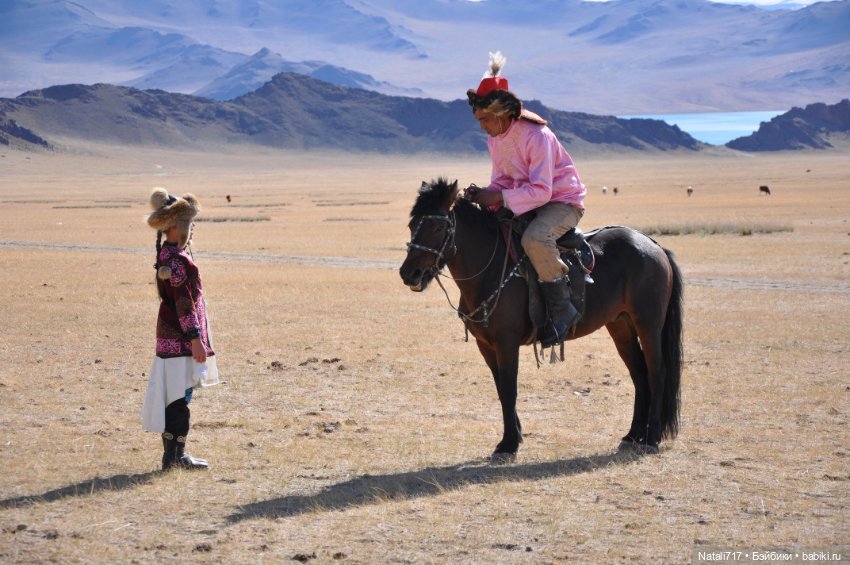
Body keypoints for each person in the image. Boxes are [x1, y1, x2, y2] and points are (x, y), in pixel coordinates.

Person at [465, 52, 587, 347]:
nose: (481, 126)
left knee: (534, 239)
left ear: (500, 114)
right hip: (526, 200)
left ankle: (562, 310)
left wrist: (500, 196)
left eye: (484, 119)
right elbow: (502, 180)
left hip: (561, 202)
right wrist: (484, 194)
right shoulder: (496, 138)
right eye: (478, 119)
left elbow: (542, 191)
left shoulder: (537, 136)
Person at [141, 188, 219, 470]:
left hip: (170, 340)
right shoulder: (177, 261)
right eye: (189, 222)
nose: (193, 228)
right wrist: (195, 340)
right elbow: (184, 304)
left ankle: (173, 456)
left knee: (175, 397)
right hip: (181, 341)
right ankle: (175, 458)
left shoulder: (167, 256)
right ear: (174, 227)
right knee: (178, 399)